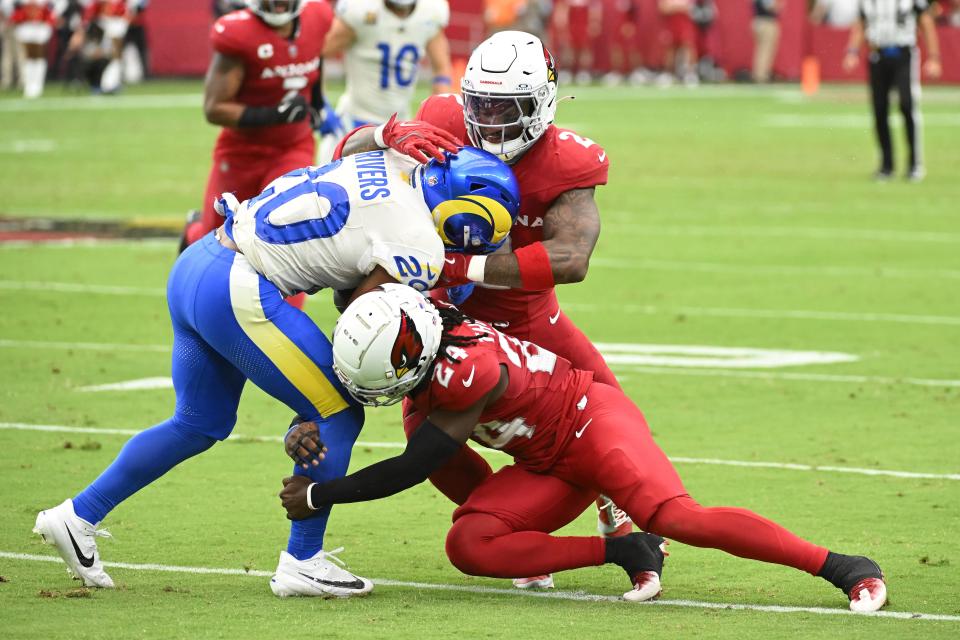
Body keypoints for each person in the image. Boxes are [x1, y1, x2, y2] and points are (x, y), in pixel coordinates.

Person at [33, 144, 520, 598]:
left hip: (199, 262)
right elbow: (364, 316)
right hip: (238, 286)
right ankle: (303, 560)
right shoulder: (420, 239)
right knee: (341, 413)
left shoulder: (388, 163)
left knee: (199, 422)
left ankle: (77, 515)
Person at [278, 284, 890, 612]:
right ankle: (620, 551)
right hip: (545, 460)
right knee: (468, 543)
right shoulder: (408, 315)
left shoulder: (469, 372)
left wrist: (320, 493)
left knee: (674, 513)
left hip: (591, 425)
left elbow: (415, 468)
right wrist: (296, 422)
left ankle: (842, 566)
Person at [333, 30, 632, 589]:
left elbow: (571, 258)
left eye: (508, 107)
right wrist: (379, 134)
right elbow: (348, 163)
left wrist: (458, 268)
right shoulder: (440, 117)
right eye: (482, 104)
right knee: (429, 441)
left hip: (525, 315)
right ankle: (514, 533)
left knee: (612, 415)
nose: (491, 119)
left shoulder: (567, 160)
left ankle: (621, 508)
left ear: (542, 102)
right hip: (447, 317)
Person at [179, 0, 331, 313]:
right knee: (215, 245)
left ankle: (287, 319)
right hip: (241, 152)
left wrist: (315, 102)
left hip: (293, 146)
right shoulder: (238, 32)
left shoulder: (318, 17)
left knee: (289, 229)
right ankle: (195, 231)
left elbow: (316, 57)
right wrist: (272, 114)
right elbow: (214, 108)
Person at [317, 0, 453, 163]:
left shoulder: (430, 12)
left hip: (399, 130)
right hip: (353, 126)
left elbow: (442, 69)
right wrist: (320, 102)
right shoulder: (361, 10)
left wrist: (438, 118)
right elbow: (316, 54)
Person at [842, 0, 942, 181]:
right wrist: (852, 51)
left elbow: (926, 21)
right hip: (877, 55)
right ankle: (886, 165)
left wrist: (934, 57)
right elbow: (861, 23)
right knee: (879, 109)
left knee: (907, 105)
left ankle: (914, 164)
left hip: (903, 55)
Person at [9, 0, 56, 98]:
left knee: (39, 58)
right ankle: (29, 85)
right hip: (26, 27)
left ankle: (37, 85)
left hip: (41, 27)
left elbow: (50, 8)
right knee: (29, 58)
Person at [751, 0, 783, 83]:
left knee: (761, 51)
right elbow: (770, 7)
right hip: (767, 22)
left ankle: (759, 74)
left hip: (757, 21)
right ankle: (761, 76)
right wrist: (779, 6)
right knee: (766, 51)